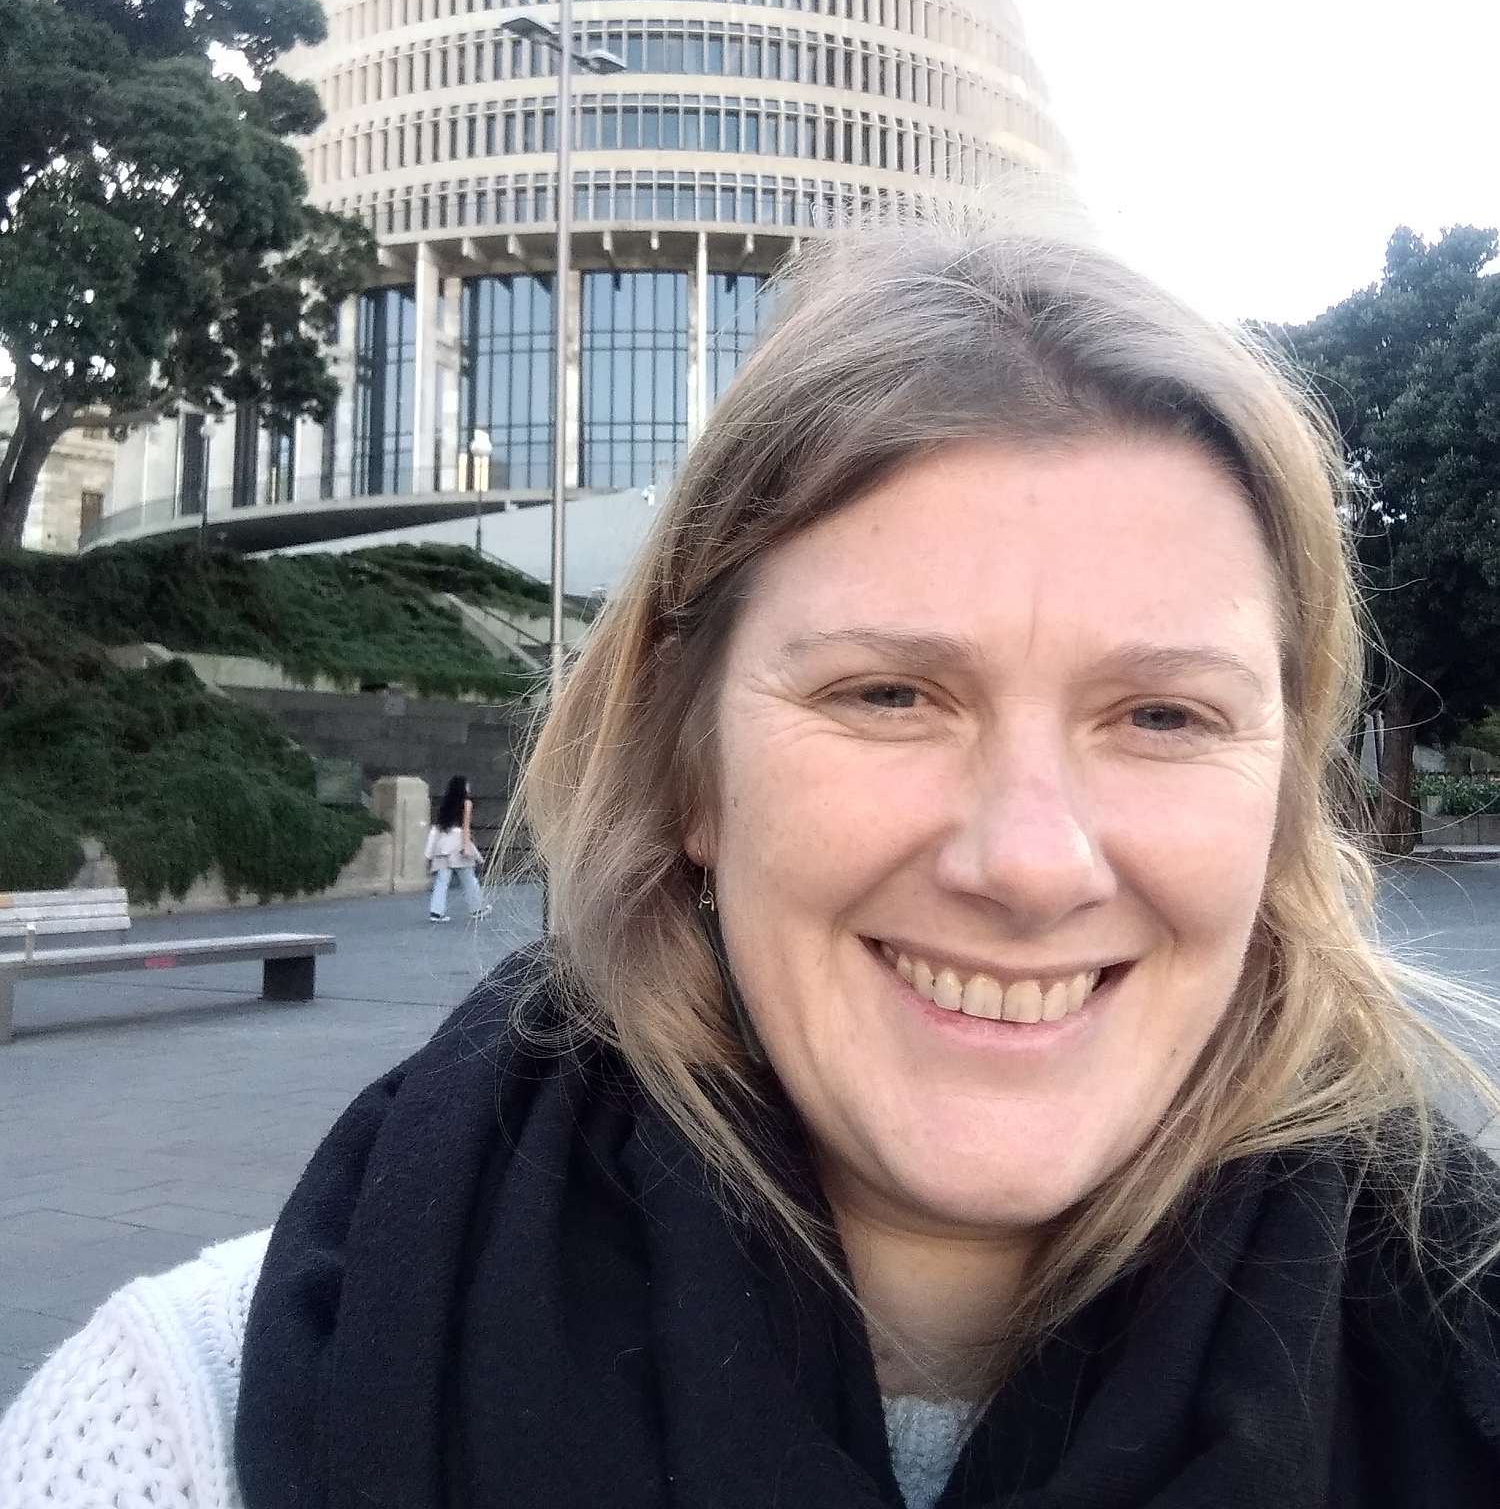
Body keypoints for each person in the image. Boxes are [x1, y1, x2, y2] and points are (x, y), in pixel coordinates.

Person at [4, 212, 1500, 1509]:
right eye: (890, 694)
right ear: (690, 762)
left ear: (1282, 791)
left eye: (1164, 715)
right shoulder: (180, 1427)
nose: (1032, 862)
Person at [423, 772, 490, 922]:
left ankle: (436, 912)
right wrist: (467, 847)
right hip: (457, 844)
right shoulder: (466, 803)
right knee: (469, 879)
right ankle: (477, 908)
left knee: (441, 881)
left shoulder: (445, 804)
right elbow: (466, 827)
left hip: (442, 845)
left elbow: (437, 828)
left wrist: (429, 852)